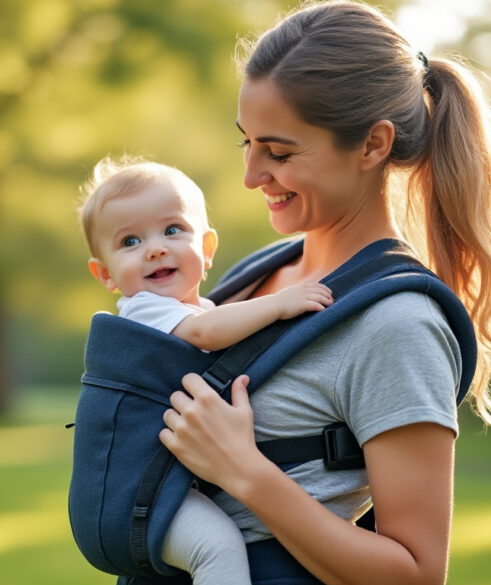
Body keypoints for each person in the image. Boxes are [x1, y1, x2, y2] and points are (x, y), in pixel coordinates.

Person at [156, 2, 491, 585]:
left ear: (372, 146)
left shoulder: (398, 325)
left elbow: (417, 573)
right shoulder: (254, 275)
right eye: (247, 142)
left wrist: (247, 473)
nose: (251, 175)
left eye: (281, 152)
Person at [79, 155, 334, 585]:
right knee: (217, 547)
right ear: (105, 275)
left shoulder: (201, 311)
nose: (156, 248)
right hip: (131, 497)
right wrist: (279, 303)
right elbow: (205, 335)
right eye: (130, 242)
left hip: (163, 485)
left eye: (172, 230)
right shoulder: (145, 310)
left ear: (208, 248)